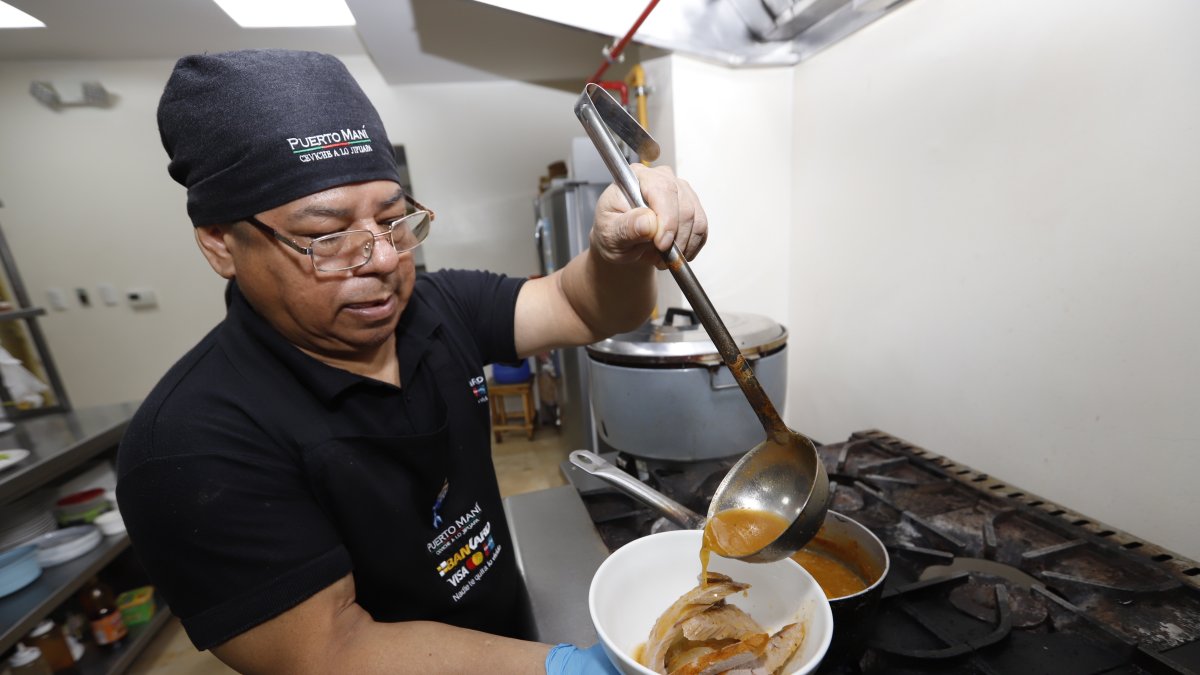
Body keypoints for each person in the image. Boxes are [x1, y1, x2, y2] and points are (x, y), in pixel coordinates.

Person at [115, 49, 707, 674]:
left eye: (393, 220)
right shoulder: (187, 445)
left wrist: (614, 252)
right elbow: (330, 649)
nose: (380, 260)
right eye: (328, 236)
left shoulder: (435, 305)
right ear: (220, 244)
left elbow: (578, 306)